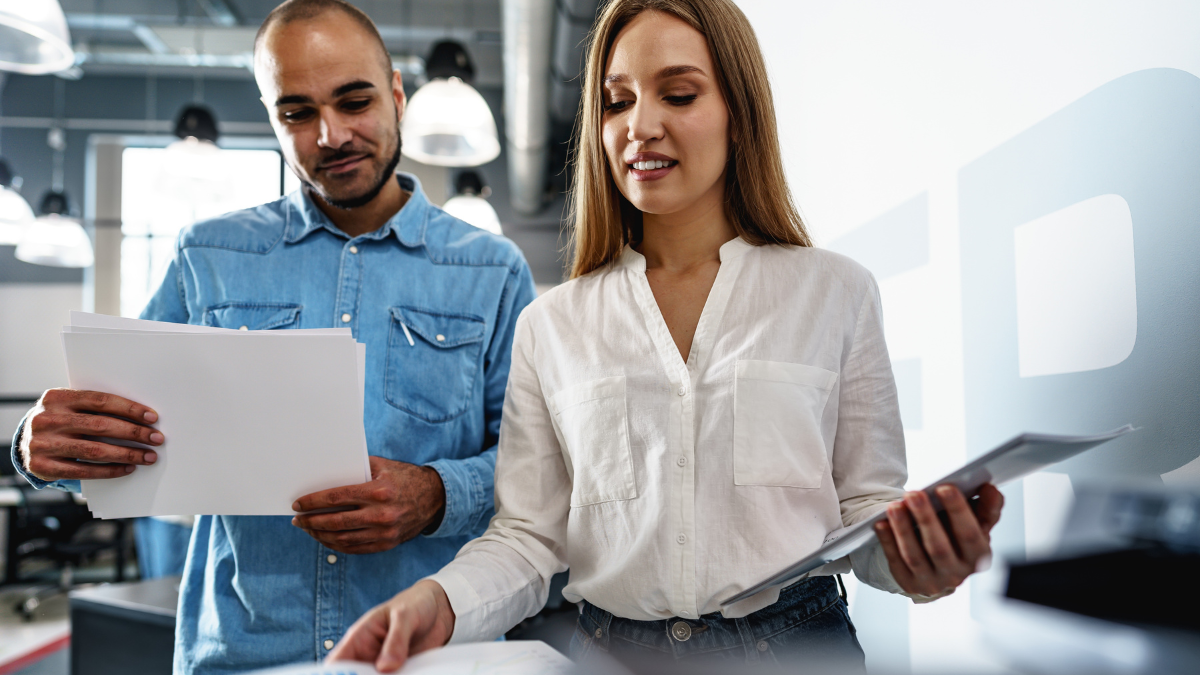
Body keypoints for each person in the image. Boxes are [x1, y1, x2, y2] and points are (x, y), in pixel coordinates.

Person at [328, 0, 1006, 671]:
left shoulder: (836, 293)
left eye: (678, 95)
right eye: (616, 101)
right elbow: (528, 538)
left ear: (739, 114)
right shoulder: (551, 325)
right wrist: (435, 600)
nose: (640, 126)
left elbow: (867, 512)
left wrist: (922, 563)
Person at [9, 0, 535, 672]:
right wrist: (39, 443)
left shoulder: (491, 271)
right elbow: (109, 429)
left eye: (354, 101)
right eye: (298, 112)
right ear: (272, 117)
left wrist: (436, 493)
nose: (332, 134)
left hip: (426, 654)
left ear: (398, 93)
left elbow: (534, 472)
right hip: (240, 650)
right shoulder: (208, 254)